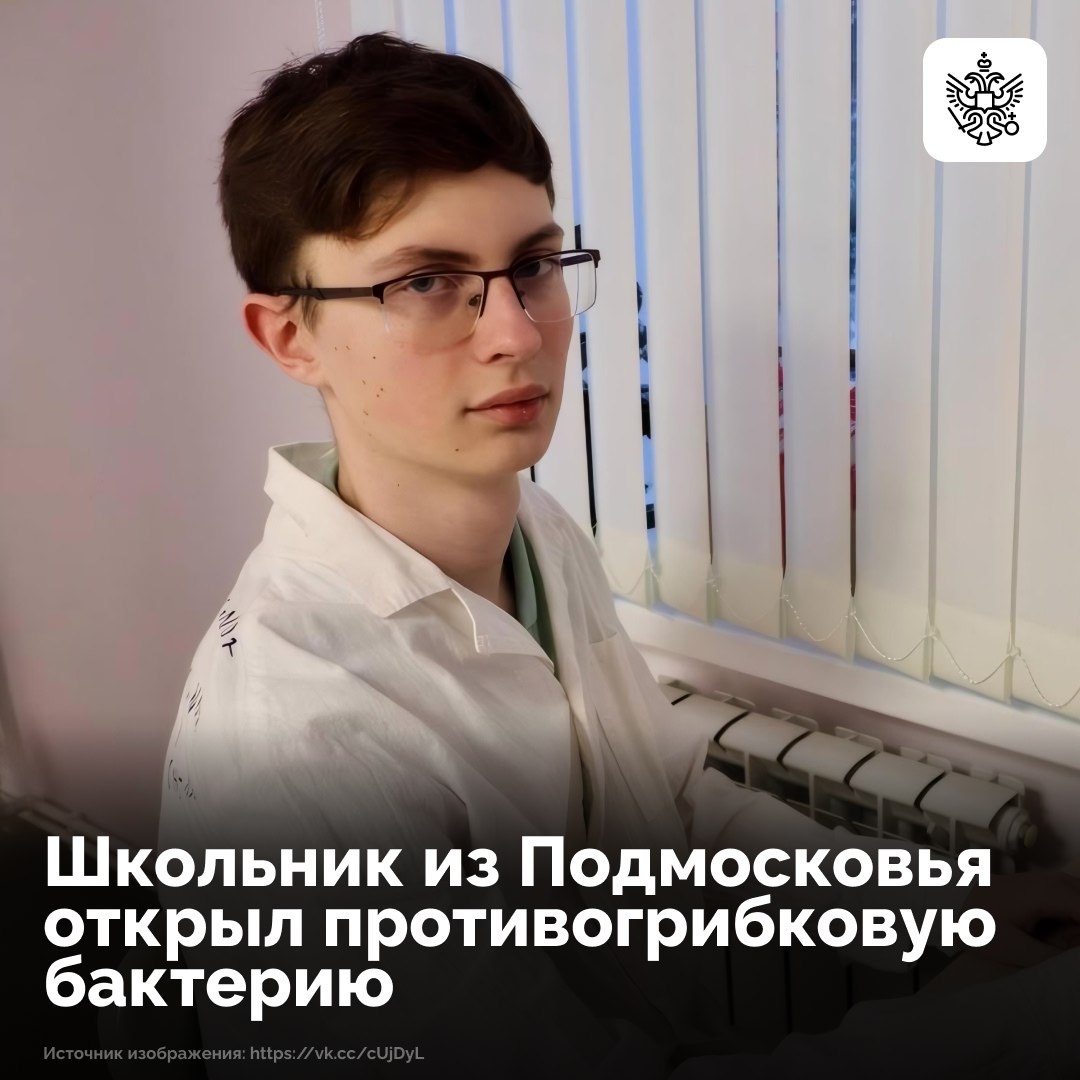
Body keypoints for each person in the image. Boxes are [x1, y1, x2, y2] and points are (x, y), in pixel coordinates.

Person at [158, 32, 1080, 1077]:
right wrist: (1023, 1024)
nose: (517, 333)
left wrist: (944, 909)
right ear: (290, 338)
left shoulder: (535, 528)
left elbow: (665, 802)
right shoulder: (299, 739)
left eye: (533, 267)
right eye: (425, 281)